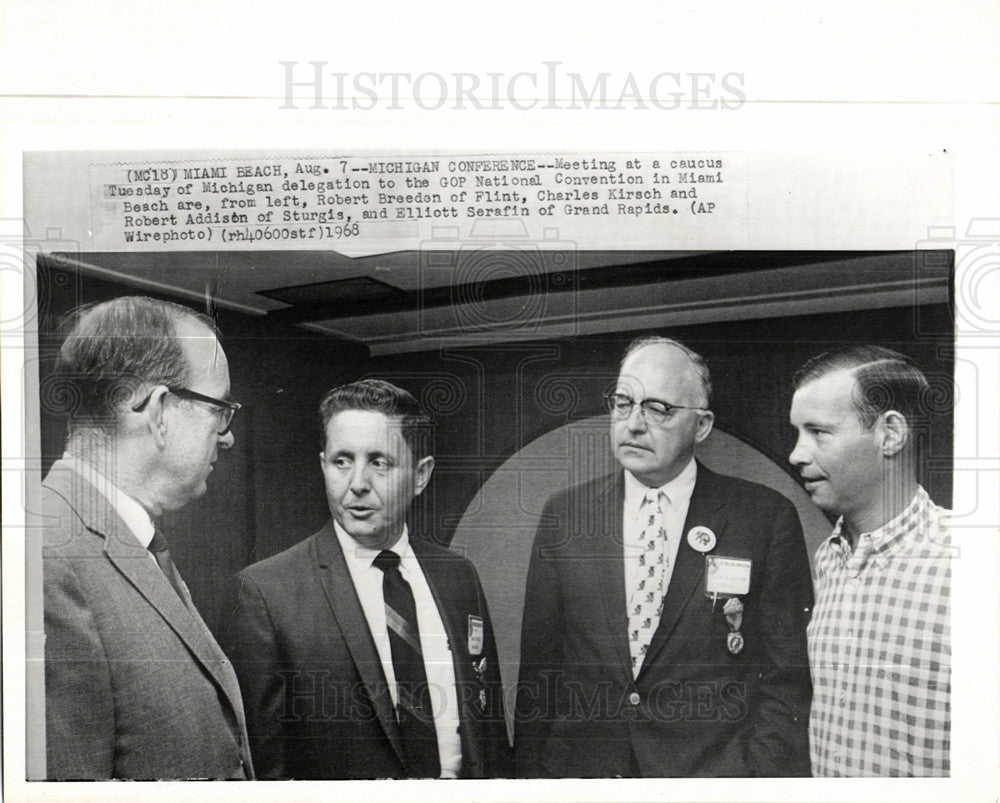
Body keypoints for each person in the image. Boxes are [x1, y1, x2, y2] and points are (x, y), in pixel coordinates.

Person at [515, 336, 813, 777]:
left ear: (703, 425)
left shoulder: (763, 517)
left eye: (658, 409)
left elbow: (785, 681)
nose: (634, 423)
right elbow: (540, 671)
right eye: (623, 402)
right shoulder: (566, 515)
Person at [224, 379, 512, 779]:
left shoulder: (457, 576)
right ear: (323, 464)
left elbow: (490, 730)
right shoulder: (268, 594)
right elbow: (266, 767)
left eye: (379, 462)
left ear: (420, 474)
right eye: (342, 461)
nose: (357, 483)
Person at [41, 296, 253, 779]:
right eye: (220, 410)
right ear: (158, 410)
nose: (228, 436)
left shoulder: (133, 543)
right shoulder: (48, 561)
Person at [789, 345, 951, 776]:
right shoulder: (829, 560)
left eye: (818, 432)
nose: (796, 455)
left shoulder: (969, 563)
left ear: (890, 434)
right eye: (797, 434)